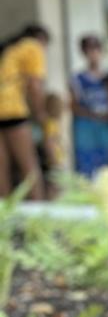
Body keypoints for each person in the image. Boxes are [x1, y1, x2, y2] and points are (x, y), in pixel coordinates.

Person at [0, 24, 49, 199]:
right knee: (29, 166)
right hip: (13, 111)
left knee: (2, 169)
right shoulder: (33, 47)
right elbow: (35, 86)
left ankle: (4, 218)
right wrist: (40, 113)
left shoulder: (9, 49)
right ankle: (39, 215)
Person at [70, 34, 108, 178]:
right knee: (86, 167)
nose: (93, 54)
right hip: (86, 128)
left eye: (96, 49)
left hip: (106, 127)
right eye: (89, 50)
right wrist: (93, 115)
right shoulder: (76, 79)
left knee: (107, 167)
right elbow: (73, 105)